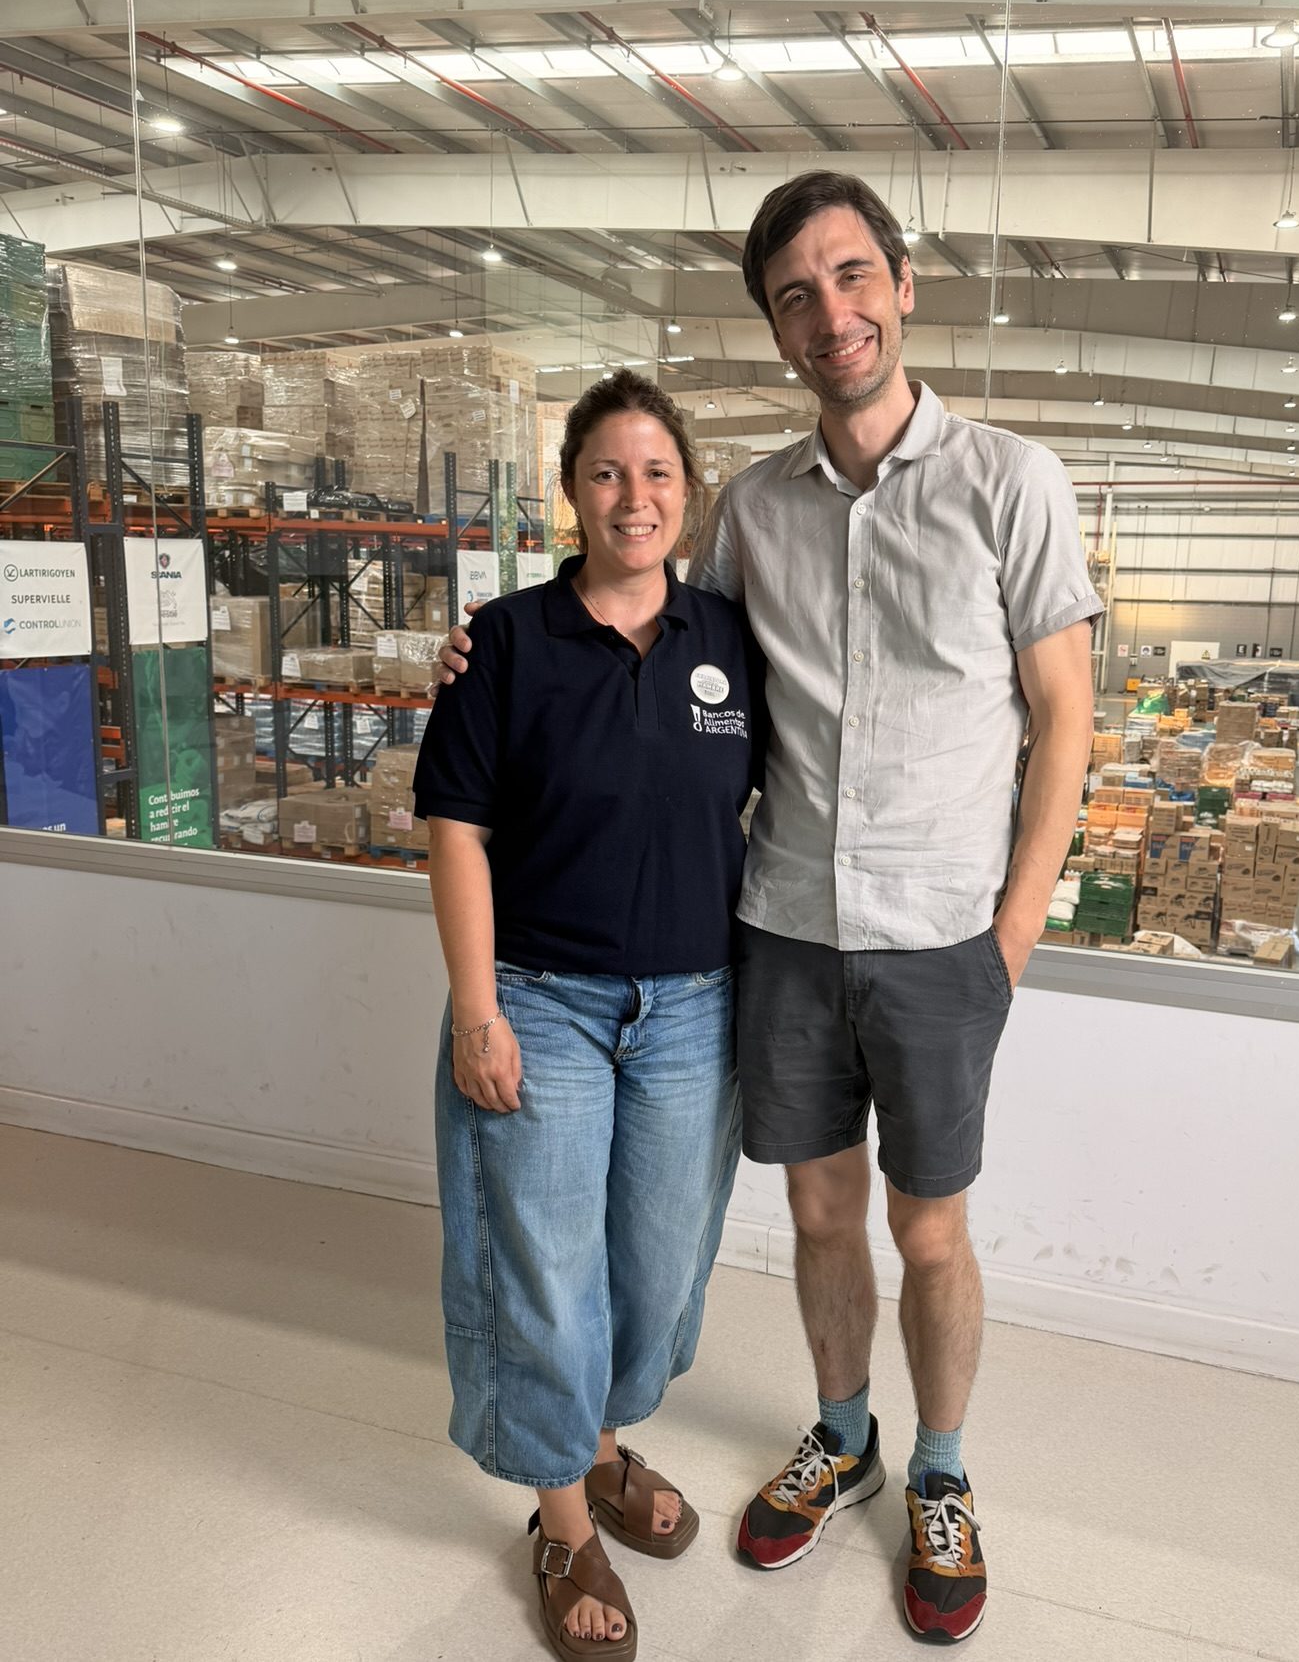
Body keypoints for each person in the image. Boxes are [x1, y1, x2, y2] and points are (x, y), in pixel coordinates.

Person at [436, 172, 1099, 1646]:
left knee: (933, 1231)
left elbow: (1067, 719)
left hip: (941, 937)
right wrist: (483, 653)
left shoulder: (1011, 483)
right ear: (778, 328)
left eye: (852, 277)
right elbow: (652, 628)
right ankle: (842, 1432)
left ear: (903, 286)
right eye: (797, 295)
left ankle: (940, 1472)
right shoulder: (752, 509)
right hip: (785, 929)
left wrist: (1013, 935)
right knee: (816, 1211)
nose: (831, 313)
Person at [412, 368, 757, 1661]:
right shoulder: (505, 641)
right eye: (607, 472)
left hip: (693, 1006)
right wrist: (475, 1010)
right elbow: (455, 827)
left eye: (657, 472)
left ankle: (601, 1443)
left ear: (689, 493)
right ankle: (562, 1521)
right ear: (570, 491)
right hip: (541, 1002)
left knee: (656, 1268)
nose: (634, 495)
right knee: (547, 1272)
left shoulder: (730, 639)